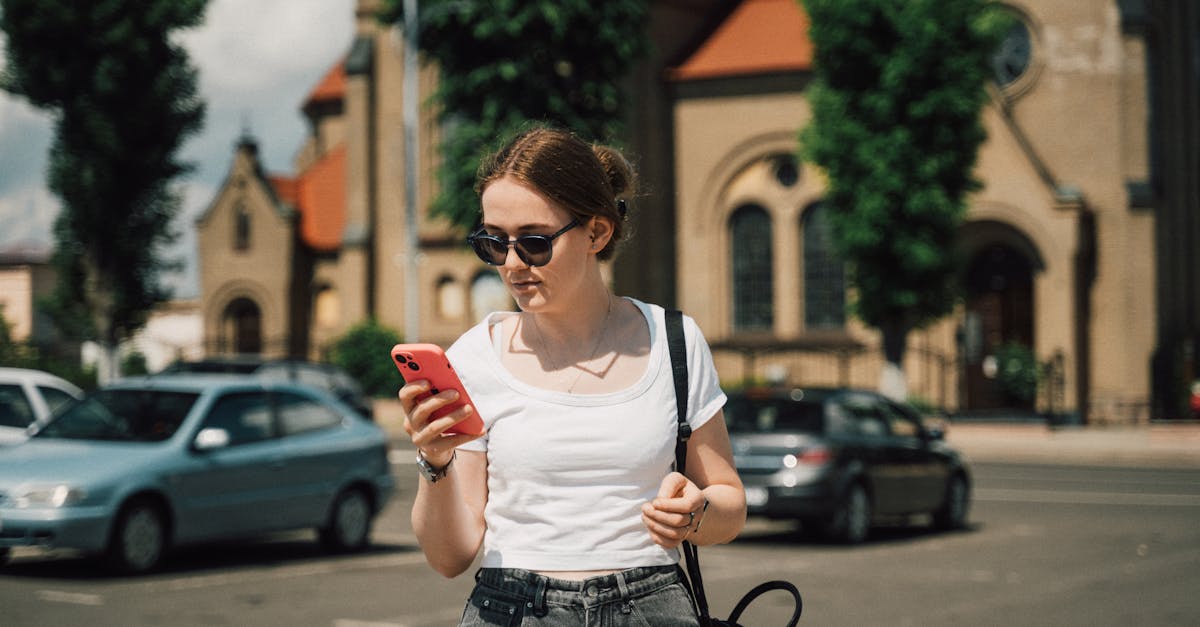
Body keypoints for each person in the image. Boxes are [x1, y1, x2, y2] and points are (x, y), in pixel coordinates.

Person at [400, 125, 746, 626]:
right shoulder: (475, 357)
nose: (512, 264)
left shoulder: (673, 340)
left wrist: (695, 513)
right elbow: (449, 558)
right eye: (493, 243)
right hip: (513, 606)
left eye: (534, 243)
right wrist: (434, 463)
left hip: (652, 605)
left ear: (596, 233)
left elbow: (728, 504)